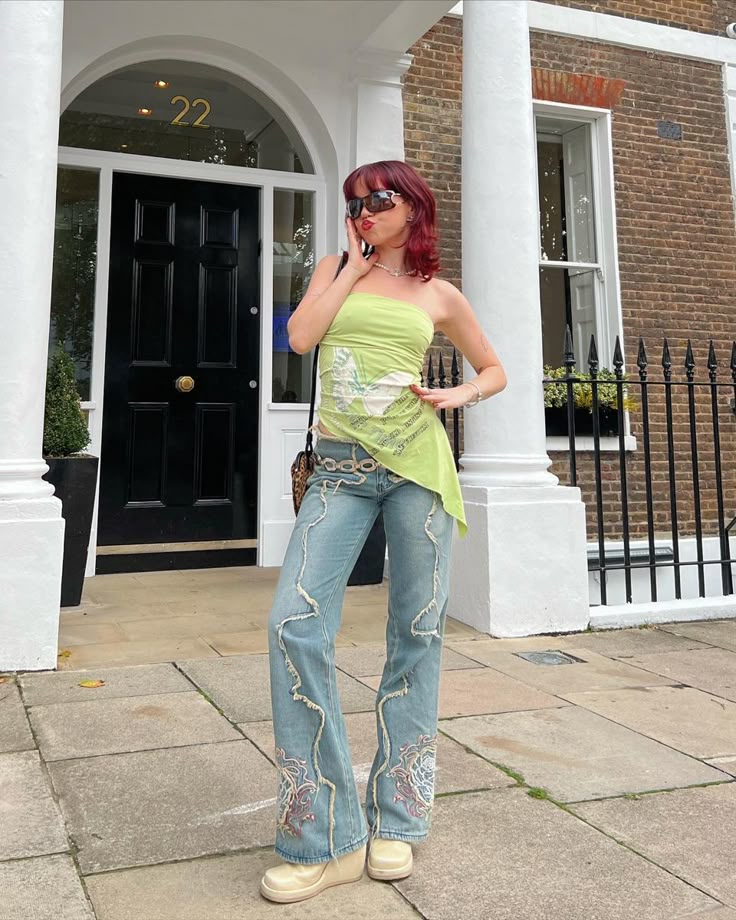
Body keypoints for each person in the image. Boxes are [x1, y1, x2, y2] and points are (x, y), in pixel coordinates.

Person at [260, 160, 507, 904]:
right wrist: (349, 268)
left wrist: (457, 394)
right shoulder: (333, 270)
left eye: (379, 199)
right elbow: (300, 339)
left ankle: (398, 818)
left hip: (418, 471)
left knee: (417, 635)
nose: (364, 210)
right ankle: (325, 837)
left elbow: (494, 369)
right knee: (293, 626)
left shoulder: (438, 293)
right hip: (339, 472)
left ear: (414, 207)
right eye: (354, 202)